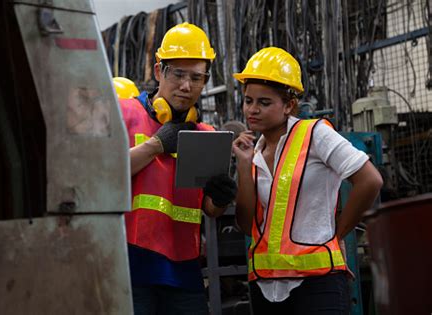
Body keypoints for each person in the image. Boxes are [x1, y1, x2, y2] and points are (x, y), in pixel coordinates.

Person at [231, 47, 383, 314]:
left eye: (264, 103)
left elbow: (370, 180)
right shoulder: (252, 152)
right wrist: (244, 168)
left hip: (318, 285)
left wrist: (336, 234)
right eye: (248, 100)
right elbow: (246, 224)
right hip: (266, 287)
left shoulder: (315, 134)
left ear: (289, 105)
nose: (252, 110)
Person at [118, 22, 237, 315]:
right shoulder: (126, 113)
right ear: (159, 71)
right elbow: (101, 175)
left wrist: (220, 198)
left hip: (184, 270)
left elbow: (210, 209)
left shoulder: (206, 134)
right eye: (178, 74)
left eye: (196, 78)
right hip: (129, 264)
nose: (186, 86)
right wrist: (157, 145)